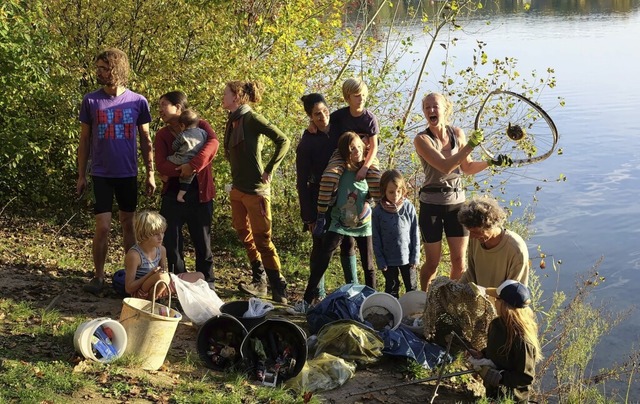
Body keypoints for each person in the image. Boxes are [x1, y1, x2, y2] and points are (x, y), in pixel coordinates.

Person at [77, 48, 155, 295]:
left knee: (128, 225)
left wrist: (150, 173)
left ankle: (129, 280)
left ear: (116, 69)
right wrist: (81, 175)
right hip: (101, 173)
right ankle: (98, 277)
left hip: (127, 173)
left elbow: (145, 138)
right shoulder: (91, 100)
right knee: (103, 226)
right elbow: (84, 140)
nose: (98, 72)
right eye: (97, 67)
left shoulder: (137, 101)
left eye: (103, 68)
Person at [413, 92, 510, 290]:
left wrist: (490, 162)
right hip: (431, 205)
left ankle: (451, 300)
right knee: (433, 262)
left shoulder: (457, 134)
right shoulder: (421, 139)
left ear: (445, 109)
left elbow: (466, 168)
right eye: (427, 107)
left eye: (435, 106)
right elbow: (445, 166)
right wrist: (471, 146)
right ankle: (424, 298)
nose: (431, 110)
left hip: (457, 204)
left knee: (459, 262)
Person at [293, 132, 379, 313]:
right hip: (339, 223)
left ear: (364, 147)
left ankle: (373, 304)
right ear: (345, 153)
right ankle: (307, 300)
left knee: (369, 265)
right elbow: (328, 190)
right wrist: (321, 215)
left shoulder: (368, 172)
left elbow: (377, 194)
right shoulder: (341, 171)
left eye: (358, 147)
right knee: (323, 257)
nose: (356, 151)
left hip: (363, 225)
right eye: (351, 149)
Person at [222, 80, 290, 303]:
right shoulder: (233, 120)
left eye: (226, 93)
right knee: (243, 231)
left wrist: (270, 169)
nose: (222, 96)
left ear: (237, 97)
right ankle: (259, 280)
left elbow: (283, 140)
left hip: (256, 191)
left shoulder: (251, 118)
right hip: (238, 189)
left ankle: (278, 287)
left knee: (263, 239)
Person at [296, 93, 358, 299]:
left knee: (349, 241)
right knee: (320, 243)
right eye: (317, 114)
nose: (323, 117)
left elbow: (358, 116)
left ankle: (354, 290)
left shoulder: (340, 126)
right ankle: (317, 293)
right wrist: (308, 216)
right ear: (310, 117)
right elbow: (301, 181)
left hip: (345, 194)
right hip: (318, 197)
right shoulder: (307, 142)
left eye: (325, 111)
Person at [155, 91, 219, 284]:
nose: (160, 110)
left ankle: (207, 284)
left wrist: (191, 166)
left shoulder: (201, 124)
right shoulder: (163, 135)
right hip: (173, 194)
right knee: (172, 244)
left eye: (164, 105)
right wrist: (180, 170)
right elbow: (161, 165)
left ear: (179, 107)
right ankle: (179, 284)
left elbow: (213, 145)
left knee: (203, 243)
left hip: (201, 194)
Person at [315, 78, 381, 216]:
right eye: (357, 96)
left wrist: (365, 168)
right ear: (347, 98)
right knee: (329, 175)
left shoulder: (370, 119)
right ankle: (322, 212)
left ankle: (381, 209)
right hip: (343, 153)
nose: (361, 99)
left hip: (364, 153)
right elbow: (324, 121)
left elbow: (374, 147)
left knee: (375, 176)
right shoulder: (340, 115)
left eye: (363, 95)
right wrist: (312, 124)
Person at [469, 280, 542, 403]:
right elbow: (497, 352)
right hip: (492, 393)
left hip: (512, 399)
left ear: (504, 305)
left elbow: (525, 378)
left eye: (497, 299)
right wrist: (483, 354)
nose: (494, 302)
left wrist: (499, 377)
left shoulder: (523, 341)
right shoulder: (496, 325)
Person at [120, 210, 203, 300]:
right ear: (144, 234)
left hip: (160, 285)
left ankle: (161, 296)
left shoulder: (161, 250)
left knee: (199, 277)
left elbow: (164, 273)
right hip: (141, 293)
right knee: (162, 277)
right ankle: (149, 304)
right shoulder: (134, 255)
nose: (161, 237)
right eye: (156, 234)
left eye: (162, 232)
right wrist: (150, 275)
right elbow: (129, 288)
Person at [457, 197, 529, 288]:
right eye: (469, 231)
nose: (471, 236)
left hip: (504, 301)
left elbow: (516, 292)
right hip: (481, 299)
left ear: (490, 225)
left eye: (476, 232)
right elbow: (471, 274)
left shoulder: (515, 248)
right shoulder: (475, 240)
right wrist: (456, 289)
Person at [371, 169, 420, 298]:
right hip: (388, 260)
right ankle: (393, 314)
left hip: (408, 258)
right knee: (392, 288)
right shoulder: (378, 212)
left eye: (398, 191)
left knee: (412, 287)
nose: (395, 195)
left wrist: (415, 256)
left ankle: (412, 314)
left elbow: (415, 232)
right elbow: (376, 239)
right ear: (384, 191)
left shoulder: (408, 207)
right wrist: (380, 260)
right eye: (391, 192)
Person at [166, 109, 208, 203]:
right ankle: (181, 195)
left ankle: (167, 179)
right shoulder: (203, 133)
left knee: (168, 159)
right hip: (193, 160)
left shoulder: (183, 134)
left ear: (182, 125)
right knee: (188, 178)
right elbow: (207, 142)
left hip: (181, 158)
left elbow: (174, 146)